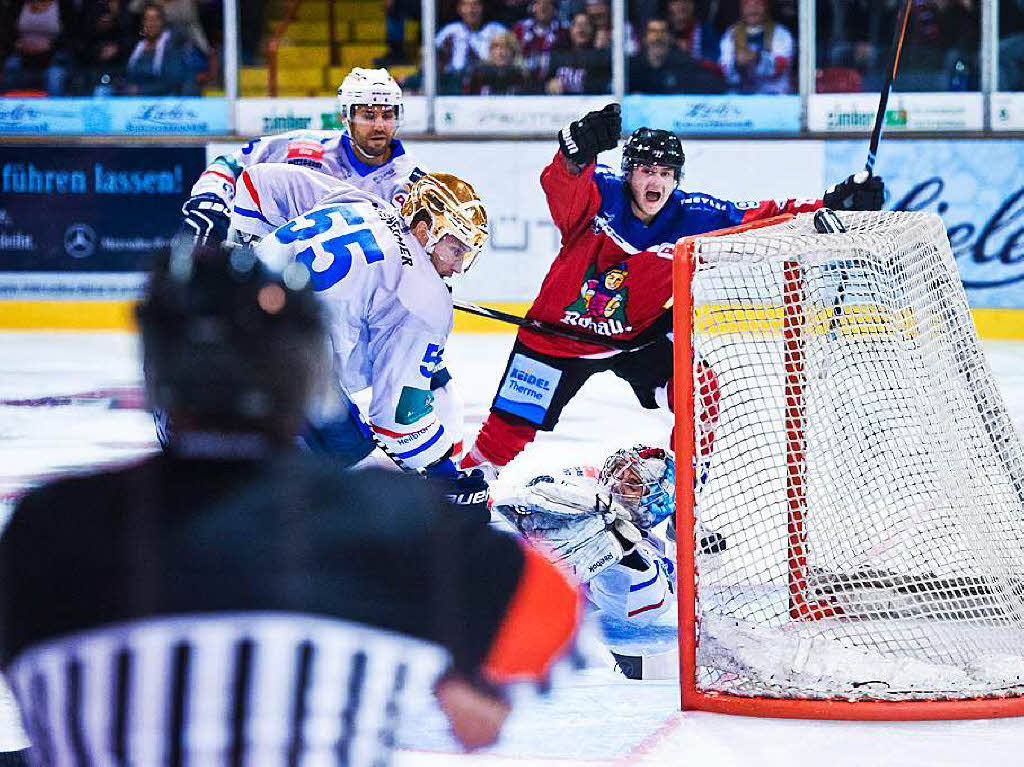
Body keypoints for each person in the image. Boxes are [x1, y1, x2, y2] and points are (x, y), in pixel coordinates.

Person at [0, 244, 582, 765]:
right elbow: (539, 634)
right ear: (306, 370)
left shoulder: (49, 524)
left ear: (156, 367)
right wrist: (469, 683)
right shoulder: (391, 517)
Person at [460, 103, 884, 476]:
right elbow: (562, 185)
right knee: (506, 434)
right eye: (646, 170)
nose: (656, 181)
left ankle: (685, 497)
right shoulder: (599, 195)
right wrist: (574, 156)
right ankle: (465, 489)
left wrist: (830, 204)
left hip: (634, 338)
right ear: (629, 173)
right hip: (558, 338)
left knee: (700, 394)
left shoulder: (695, 216)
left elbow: (764, 219)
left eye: (665, 173)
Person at [252, 168, 489, 487]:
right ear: (423, 230)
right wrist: (443, 474)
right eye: (455, 249)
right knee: (354, 461)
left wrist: (243, 241)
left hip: (195, 338)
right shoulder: (424, 296)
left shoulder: (362, 203)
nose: (458, 267)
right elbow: (395, 422)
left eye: (466, 254)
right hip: (267, 373)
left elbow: (260, 178)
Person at [181, 67, 423, 244]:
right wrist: (210, 199)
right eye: (368, 115)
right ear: (345, 118)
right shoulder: (306, 147)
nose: (380, 125)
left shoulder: (411, 182)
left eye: (388, 115)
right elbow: (229, 165)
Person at [628, 17, 725, 94]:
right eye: (653, 31)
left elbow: (715, 86)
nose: (658, 37)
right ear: (644, 39)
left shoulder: (684, 63)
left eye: (663, 31)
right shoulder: (631, 67)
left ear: (670, 38)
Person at [718, 0, 795, 94]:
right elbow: (725, 72)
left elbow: (780, 68)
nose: (752, 9)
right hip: (739, 97)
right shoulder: (730, 34)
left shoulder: (781, 34)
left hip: (774, 97)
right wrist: (737, 63)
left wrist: (758, 58)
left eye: (758, 4)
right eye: (747, 4)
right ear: (741, 8)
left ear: (766, 7)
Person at [124, 3, 189, 95]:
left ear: (163, 22)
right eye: (147, 19)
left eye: (155, 19)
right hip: (135, 101)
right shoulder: (137, 48)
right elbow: (128, 77)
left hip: (164, 101)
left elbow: (173, 82)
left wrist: (141, 90)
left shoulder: (172, 48)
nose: (151, 24)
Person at [435, 0, 507, 80]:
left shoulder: (497, 30)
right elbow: (431, 62)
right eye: (465, 5)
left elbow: (508, 62)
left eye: (475, 5)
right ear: (459, 9)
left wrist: (477, 61)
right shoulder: (449, 31)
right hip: (453, 83)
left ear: (483, 7)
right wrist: (443, 55)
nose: (470, 10)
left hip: (488, 82)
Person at [545, 12, 611, 95]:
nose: (581, 29)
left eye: (586, 25)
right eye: (578, 25)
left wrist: (606, 49)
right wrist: (550, 83)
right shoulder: (558, 55)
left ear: (592, 30)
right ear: (571, 30)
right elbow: (546, 80)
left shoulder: (601, 56)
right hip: (560, 104)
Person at [464, 31, 534, 95]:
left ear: (513, 52)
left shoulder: (523, 74)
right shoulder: (478, 73)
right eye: (496, 48)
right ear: (491, 51)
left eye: (505, 48)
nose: (500, 53)